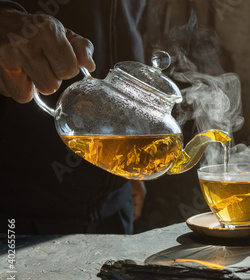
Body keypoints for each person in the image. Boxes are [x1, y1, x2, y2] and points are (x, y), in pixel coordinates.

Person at [0, 0, 148, 234]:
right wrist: (5, 20)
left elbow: (127, 27)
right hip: (19, 205)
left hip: (114, 201)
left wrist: (125, 167)